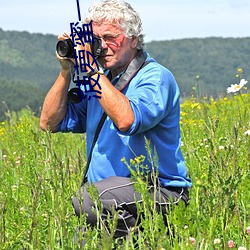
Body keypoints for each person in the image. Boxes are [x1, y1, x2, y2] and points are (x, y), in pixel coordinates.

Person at [40, 0, 192, 244]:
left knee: (88, 199)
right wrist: (66, 71)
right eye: (96, 39)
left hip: (159, 191)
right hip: (110, 199)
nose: (102, 46)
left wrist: (92, 72)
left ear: (133, 39)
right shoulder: (102, 80)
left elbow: (127, 120)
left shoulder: (154, 77)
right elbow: (49, 123)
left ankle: (146, 241)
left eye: (110, 37)